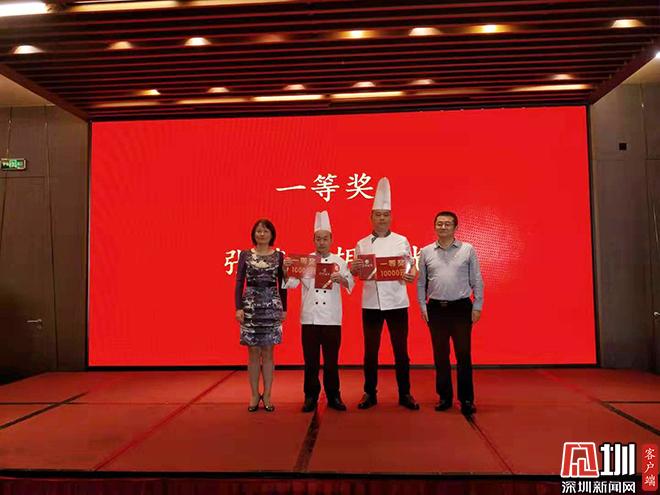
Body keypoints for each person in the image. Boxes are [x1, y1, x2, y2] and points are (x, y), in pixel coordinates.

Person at [350, 177, 419, 410]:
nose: (382, 218)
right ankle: (369, 393)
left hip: (397, 302)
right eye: (378, 214)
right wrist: (354, 268)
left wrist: (411, 274)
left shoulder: (402, 240)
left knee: (401, 350)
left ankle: (405, 393)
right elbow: (357, 271)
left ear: (390, 217)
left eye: (385, 214)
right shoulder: (361, 243)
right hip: (371, 304)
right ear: (371, 217)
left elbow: (410, 266)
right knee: (371, 351)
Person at [283, 211, 354, 412]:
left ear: (331, 240)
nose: (321, 242)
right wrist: (286, 269)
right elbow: (291, 284)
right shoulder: (305, 261)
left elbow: (350, 284)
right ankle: (310, 396)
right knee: (311, 361)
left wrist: (342, 279)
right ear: (313, 240)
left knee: (331, 361)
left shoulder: (340, 261)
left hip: (332, 319)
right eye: (318, 239)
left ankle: (334, 395)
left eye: (325, 239)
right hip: (310, 318)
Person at [417, 211, 484, 416]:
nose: (443, 227)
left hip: (461, 308)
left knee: (463, 354)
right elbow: (421, 282)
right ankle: (444, 397)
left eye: (447, 224)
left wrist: (477, 305)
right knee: (440, 355)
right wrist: (423, 306)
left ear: (455, 227)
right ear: (434, 226)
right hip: (436, 309)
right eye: (439, 224)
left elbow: (477, 279)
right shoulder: (426, 251)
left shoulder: (467, 249)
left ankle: (466, 399)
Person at [235, 219, 287, 412]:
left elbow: (282, 284)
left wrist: (284, 308)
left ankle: (267, 394)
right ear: (253, 234)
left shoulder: (279, 256)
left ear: (272, 234)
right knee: (253, 352)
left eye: (265, 231)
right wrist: (238, 307)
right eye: (258, 231)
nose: (262, 234)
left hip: (271, 305)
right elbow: (239, 282)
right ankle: (254, 394)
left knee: (268, 351)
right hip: (250, 306)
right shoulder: (245, 255)